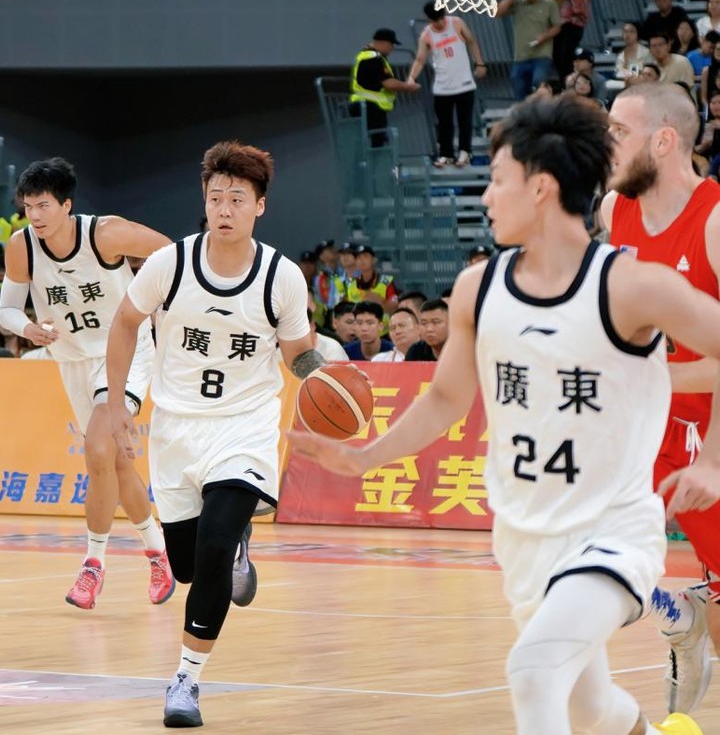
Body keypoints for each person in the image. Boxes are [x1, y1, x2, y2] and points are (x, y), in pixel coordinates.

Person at [289, 93, 714, 735]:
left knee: (534, 672)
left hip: (613, 530)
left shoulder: (632, 286)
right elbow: (445, 399)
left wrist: (714, 458)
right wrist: (364, 456)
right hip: (524, 534)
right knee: (592, 710)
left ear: (541, 188)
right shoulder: (476, 288)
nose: (486, 197)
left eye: (497, 180)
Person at [106, 141, 320, 728]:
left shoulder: (281, 277)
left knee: (216, 543)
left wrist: (326, 378)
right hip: (176, 430)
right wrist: (117, 402)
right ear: (204, 200)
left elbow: (298, 355)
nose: (224, 208)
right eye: (216, 197)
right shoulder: (169, 264)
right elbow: (125, 323)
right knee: (187, 566)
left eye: (237, 199)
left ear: (260, 205)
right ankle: (234, 543)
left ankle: (186, 679)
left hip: (245, 428)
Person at [0, 157, 173, 610]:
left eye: (43, 206)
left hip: (126, 352)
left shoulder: (106, 233)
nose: (34, 216)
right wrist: (27, 328)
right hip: (72, 360)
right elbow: (6, 310)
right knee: (114, 464)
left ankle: (93, 564)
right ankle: (158, 553)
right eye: (28, 207)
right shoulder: (22, 246)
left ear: (66, 205)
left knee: (97, 447)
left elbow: (172, 254)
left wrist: (156, 307)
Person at [601, 81, 720, 714]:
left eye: (619, 132)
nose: (607, 144)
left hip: (710, 434)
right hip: (645, 428)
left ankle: (697, 612)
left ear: (665, 140)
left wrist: (713, 460)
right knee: (584, 559)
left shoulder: (715, 221)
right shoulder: (612, 212)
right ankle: (677, 615)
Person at [407, 2, 486, 168]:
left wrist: (479, 63)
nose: (440, 22)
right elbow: (420, 59)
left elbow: (472, 41)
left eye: (442, 18)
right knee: (444, 122)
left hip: (463, 83)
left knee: (464, 120)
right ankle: (446, 154)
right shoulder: (426, 34)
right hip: (442, 86)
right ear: (430, 19)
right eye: (436, 20)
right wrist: (412, 78)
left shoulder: (456, 23)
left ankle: (465, 151)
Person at [349, 28, 419, 147]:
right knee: (377, 144)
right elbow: (388, 83)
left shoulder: (367, 56)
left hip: (367, 106)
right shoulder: (373, 58)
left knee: (374, 142)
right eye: (391, 44)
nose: (392, 48)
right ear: (384, 43)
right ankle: (377, 160)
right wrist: (408, 86)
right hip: (370, 107)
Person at [497, 0, 562, 101]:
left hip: (541, 55)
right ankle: (523, 111)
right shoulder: (519, 1)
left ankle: (540, 109)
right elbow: (498, 12)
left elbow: (557, 27)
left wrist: (544, 36)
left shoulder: (549, 3)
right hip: (521, 56)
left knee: (539, 83)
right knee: (518, 85)